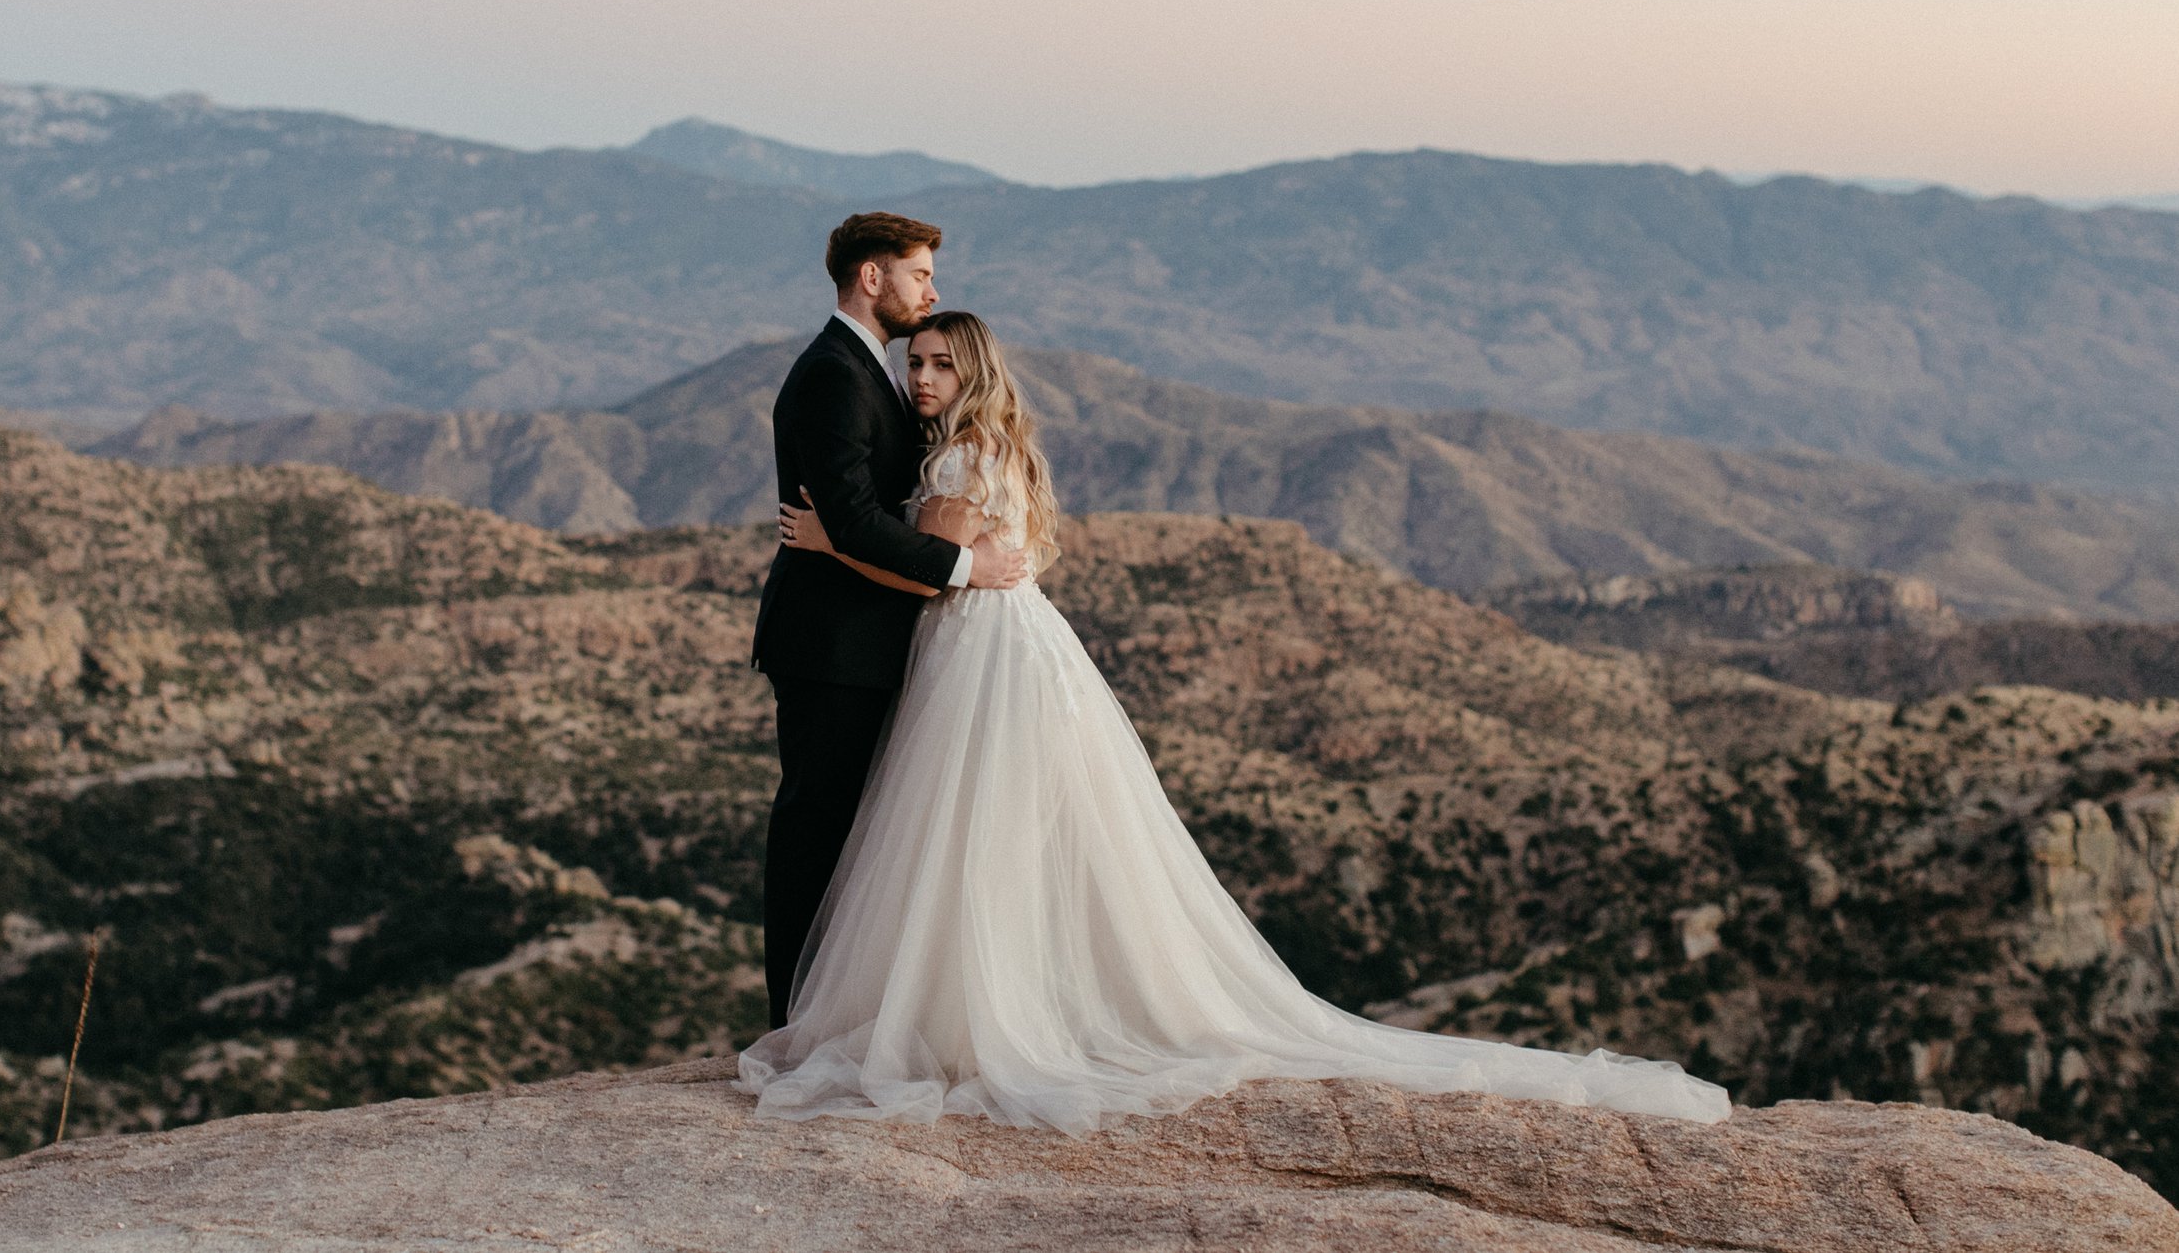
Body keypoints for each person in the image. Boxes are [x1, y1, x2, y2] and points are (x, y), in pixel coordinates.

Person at [738, 309, 1731, 1133]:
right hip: (1021, 645)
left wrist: (830, 541)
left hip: (978, 650)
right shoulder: (999, 446)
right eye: (914, 359)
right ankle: (985, 1008)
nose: (918, 374)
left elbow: (928, 568)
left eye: (937, 361)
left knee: (963, 836)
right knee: (995, 840)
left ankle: (968, 1020)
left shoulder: (958, 463)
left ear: (975, 370)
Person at [749, 213, 1030, 1030]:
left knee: (858, 838)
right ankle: (797, 1021)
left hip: (873, 641)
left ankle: (842, 1014)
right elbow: (855, 517)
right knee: (816, 832)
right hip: (833, 646)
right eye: (918, 275)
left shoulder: (867, 369)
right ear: (872, 279)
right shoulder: (834, 373)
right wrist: (966, 569)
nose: (931, 291)